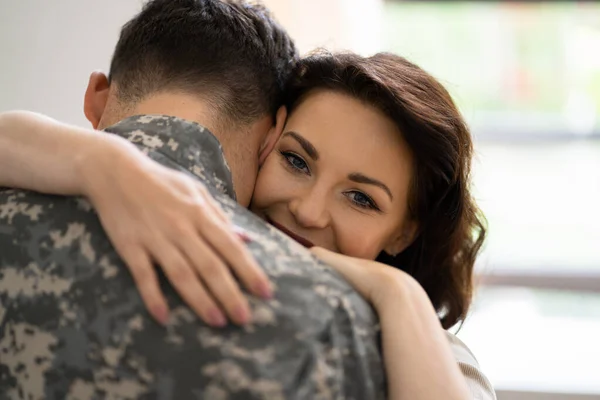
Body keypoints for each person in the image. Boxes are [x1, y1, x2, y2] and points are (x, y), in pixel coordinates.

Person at [0, 3, 496, 400]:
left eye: (360, 199)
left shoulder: (436, 360)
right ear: (266, 141)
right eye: (297, 162)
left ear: (405, 231)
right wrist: (105, 162)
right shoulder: (132, 200)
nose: (308, 212)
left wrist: (398, 294)